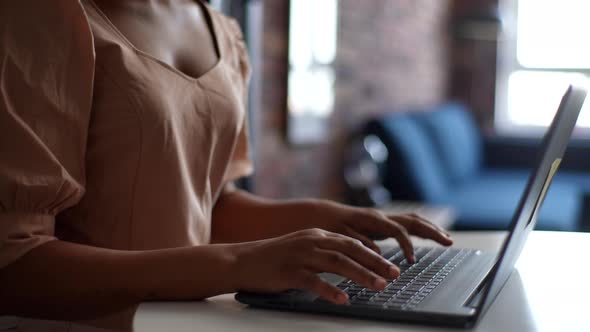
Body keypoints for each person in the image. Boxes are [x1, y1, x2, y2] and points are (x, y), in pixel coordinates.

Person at [0, 0, 452, 328]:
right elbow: (14, 264)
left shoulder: (219, 27)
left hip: (189, 319)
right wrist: (236, 263)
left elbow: (212, 205)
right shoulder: (42, 15)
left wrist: (328, 219)